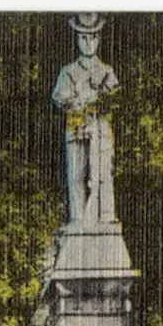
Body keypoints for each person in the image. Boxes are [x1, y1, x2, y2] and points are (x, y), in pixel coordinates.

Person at [51, 13, 119, 224]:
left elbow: (115, 98)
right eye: (83, 38)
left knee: (102, 173)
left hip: (99, 125)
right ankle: (78, 217)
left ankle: (106, 215)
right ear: (78, 39)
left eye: (93, 38)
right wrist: (75, 100)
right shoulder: (68, 71)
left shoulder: (106, 71)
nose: (88, 43)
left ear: (98, 39)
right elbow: (58, 97)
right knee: (76, 174)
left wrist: (99, 99)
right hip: (76, 125)